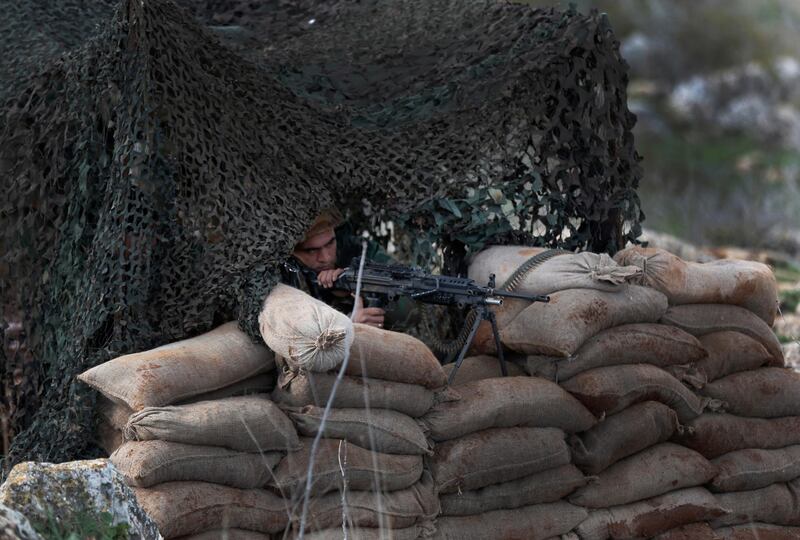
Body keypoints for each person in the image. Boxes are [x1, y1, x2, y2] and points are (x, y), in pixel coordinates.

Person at [281, 210, 391, 328]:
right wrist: (348, 326)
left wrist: (354, 290)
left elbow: (406, 309)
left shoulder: (360, 251)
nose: (326, 258)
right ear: (292, 252)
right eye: (311, 250)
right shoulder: (281, 274)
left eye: (330, 243)